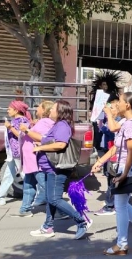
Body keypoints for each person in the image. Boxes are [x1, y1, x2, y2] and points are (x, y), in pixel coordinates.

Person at [92, 92, 132, 255]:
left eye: (119, 102)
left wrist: (124, 174)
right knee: (122, 205)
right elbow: (116, 147)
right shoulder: (128, 121)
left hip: (130, 167)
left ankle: (122, 244)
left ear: (127, 105)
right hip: (127, 167)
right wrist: (100, 161)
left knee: (119, 206)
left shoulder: (130, 124)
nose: (116, 105)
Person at [29, 100, 92, 239]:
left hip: (56, 169)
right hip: (50, 167)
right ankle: (47, 227)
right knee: (50, 198)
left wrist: (40, 147)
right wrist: (42, 143)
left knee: (55, 199)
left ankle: (82, 221)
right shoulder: (58, 125)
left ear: (60, 112)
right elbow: (52, 141)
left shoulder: (62, 125)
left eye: (53, 109)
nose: (50, 111)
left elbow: (60, 145)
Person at [11, 101, 54, 217]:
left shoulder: (45, 122)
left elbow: (44, 138)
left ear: (45, 110)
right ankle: (25, 209)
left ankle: (60, 211)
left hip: (36, 159)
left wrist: (26, 130)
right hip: (30, 160)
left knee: (45, 185)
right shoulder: (40, 122)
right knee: (28, 185)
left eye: (39, 106)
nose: (37, 108)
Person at [0, 101, 32, 206]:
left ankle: (42, 195)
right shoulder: (15, 120)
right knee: (8, 175)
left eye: (9, 109)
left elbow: (22, 134)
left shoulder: (23, 120)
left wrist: (10, 127)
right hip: (13, 153)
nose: (8, 111)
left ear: (16, 110)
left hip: (19, 152)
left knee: (25, 175)